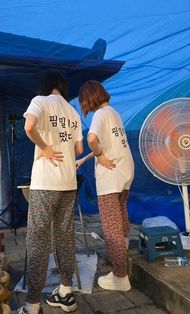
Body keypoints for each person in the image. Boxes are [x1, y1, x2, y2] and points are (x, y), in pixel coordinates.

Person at [18, 70, 83, 314]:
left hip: (45, 182)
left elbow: (29, 126)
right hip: (68, 182)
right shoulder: (73, 112)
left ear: (46, 85)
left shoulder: (40, 101)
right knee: (65, 236)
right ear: (63, 88)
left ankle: (32, 304)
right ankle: (66, 292)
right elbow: (78, 149)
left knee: (38, 240)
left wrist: (45, 147)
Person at [77, 80, 134, 291]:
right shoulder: (114, 113)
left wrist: (99, 156)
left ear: (89, 98)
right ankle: (123, 251)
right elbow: (106, 144)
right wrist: (84, 160)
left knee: (111, 229)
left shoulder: (100, 115)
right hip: (125, 173)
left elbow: (92, 139)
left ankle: (120, 277)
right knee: (121, 217)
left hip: (111, 178)